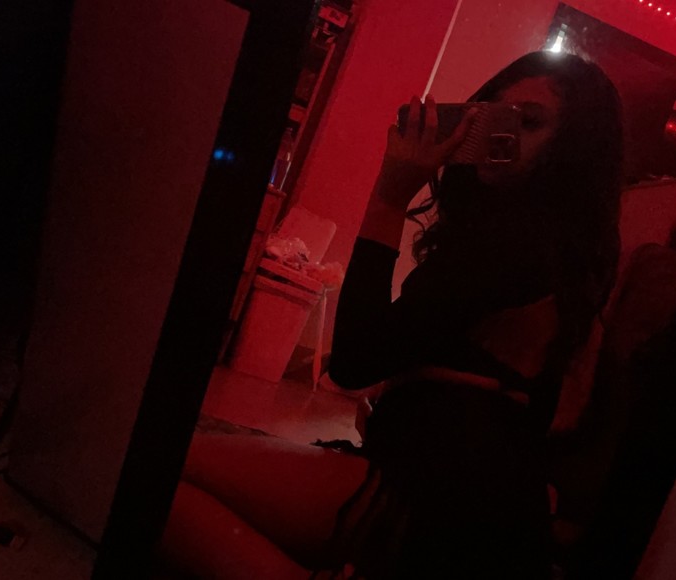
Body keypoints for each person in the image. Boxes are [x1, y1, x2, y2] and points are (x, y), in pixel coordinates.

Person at [159, 51, 624, 579]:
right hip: (470, 499)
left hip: (444, 506)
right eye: (492, 113)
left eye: (529, 122)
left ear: (573, 151)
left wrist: (389, 196)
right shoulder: (550, 249)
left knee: (159, 470)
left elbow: (353, 360)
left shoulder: (518, 246)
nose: (500, 133)